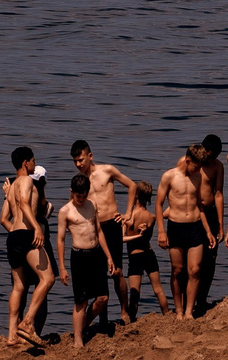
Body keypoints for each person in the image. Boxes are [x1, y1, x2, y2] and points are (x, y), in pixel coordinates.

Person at [71, 140, 134, 311]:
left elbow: (132, 186)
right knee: (99, 276)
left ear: (90, 156)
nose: (78, 164)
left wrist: (128, 214)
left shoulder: (107, 170)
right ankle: (103, 318)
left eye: (81, 160)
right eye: (75, 161)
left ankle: (124, 310)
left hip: (112, 225)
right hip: (94, 229)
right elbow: (73, 207)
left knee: (117, 272)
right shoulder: (79, 182)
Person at [55, 173, 117, 345]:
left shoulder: (92, 204)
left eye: (83, 195)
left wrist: (109, 257)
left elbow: (99, 231)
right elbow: (60, 240)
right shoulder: (65, 211)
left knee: (103, 297)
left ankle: (83, 324)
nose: (81, 199)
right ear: (72, 192)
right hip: (79, 257)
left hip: (96, 254)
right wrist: (62, 267)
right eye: (77, 196)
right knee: (81, 301)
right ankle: (78, 338)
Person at [158, 144, 215, 318]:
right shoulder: (169, 176)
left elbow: (200, 205)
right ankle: (179, 310)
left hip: (195, 226)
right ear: (188, 161)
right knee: (177, 270)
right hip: (176, 226)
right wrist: (161, 231)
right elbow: (159, 204)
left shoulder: (198, 177)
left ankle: (189, 310)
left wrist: (208, 231)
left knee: (195, 269)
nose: (198, 170)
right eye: (196, 166)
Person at [0, 148, 51, 346]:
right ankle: (28, 322)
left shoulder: (11, 187)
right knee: (47, 279)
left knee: (18, 286)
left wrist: (17, 232)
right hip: (27, 234)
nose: (34, 165)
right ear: (25, 163)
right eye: (33, 161)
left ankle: (12, 335)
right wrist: (36, 228)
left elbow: (3, 218)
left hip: (13, 237)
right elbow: (23, 203)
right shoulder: (27, 180)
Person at [193, 134, 227, 313]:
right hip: (192, 213)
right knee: (190, 260)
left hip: (210, 212)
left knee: (209, 259)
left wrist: (221, 224)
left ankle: (202, 299)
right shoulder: (190, 162)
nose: (211, 158)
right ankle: (187, 299)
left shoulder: (217, 166)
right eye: (209, 155)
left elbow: (218, 194)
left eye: (214, 156)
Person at [118, 180, 159, 324]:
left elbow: (122, 239)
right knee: (158, 289)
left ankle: (131, 319)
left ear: (135, 196)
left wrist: (136, 235)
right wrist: (143, 234)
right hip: (149, 253)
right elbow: (148, 236)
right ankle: (167, 314)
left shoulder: (130, 217)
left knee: (135, 292)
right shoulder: (152, 217)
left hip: (135, 256)